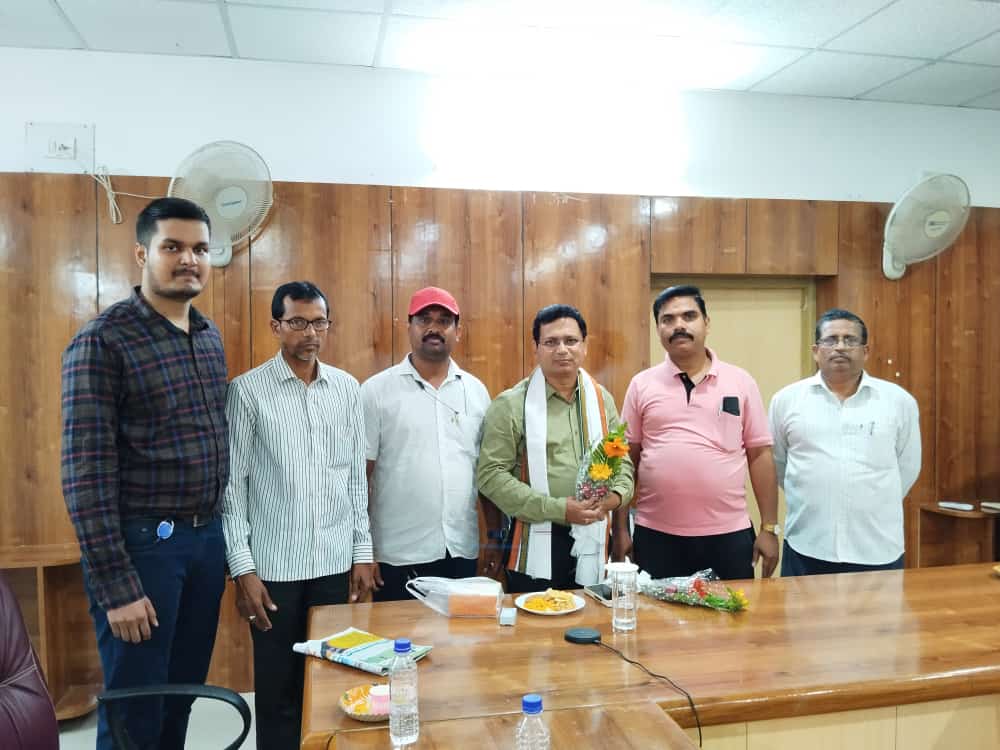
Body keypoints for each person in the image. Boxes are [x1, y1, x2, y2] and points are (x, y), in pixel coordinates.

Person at [61, 197, 228, 750]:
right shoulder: (103, 341)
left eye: (200, 248)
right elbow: (85, 475)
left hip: (205, 543)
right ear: (141, 254)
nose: (189, 260)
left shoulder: (207, 337)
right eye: (172, 247)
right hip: (142, 549)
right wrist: (116, 586)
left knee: (180, 698)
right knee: (136, 710)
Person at [221, 281, 377, 748]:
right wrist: (243, 569)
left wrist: (362, 552)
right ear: (276, 326)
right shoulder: (247, 392)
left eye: (319, 323)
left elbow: (354, 478)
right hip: (274, 571)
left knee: (332, 681)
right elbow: (233, 489)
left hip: (334, 563)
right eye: (298, 323)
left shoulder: (346, 389)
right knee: (278, 692)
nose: (310, 333)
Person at [613, 285, 779, 580]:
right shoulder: (641, 385)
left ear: (707, 323)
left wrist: (769, 528)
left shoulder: (740, 381)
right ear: (658, 329)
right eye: (668, 319)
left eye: (689, 316)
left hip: (728, 535)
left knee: (732, 610)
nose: (679, 325)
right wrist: (621, 529)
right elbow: (626, 461)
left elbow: (760, 455)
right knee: (655, 611)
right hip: (656, 535)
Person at [477, 304, 634, 592]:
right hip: (536, 537)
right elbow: (491, 476)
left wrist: (612, 499)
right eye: (551, 342)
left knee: (593, 614)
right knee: (536, 618)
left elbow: (621, 460)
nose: (562, 349)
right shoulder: (511, 404)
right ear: (536, 348)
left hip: (596, 533)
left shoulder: (602, 400)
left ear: (584, 346)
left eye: (571, 340)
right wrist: (560, 509)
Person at [361, 287, 491, 601]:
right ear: (409, 327)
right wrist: (363, 550)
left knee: (461, 635)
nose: (434, 328)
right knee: (398, 633)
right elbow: (359, 478)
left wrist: (494, 538)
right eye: (424, 320)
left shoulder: (476, 392)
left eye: (444, 321)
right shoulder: (376, 391)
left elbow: (487, 474)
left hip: (460, 549)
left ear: (458, 331)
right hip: (397, 554)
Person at [769, 309, 921, 576]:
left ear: (866, 351)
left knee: (880, 608)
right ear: (816, 351)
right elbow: (779, 464)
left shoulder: (898, 401)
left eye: (850, 340)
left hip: (877, 548)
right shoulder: (787, 400)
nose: (840, 347)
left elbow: (907, 467)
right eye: (831, 340)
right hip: (807, 543)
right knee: (800, 607)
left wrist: (869, 501)